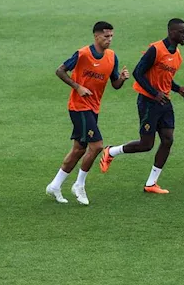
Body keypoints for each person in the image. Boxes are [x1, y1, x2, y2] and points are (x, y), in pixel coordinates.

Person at [100, 19, 184, 194]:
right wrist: (154, 93)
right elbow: (138, 72)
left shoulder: (177, 55)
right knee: (146, 144)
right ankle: (111, 152)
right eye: (182, 32)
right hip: (148, 101)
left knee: (168, 140)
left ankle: (151, 183)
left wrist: (178, 89)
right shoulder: (156, 49)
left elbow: (165, 78)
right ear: (171, 32)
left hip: (164, 101)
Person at [46, 21, 129, 205]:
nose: (109, 39)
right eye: (106, 36)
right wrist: (77, 86)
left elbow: (115, 84)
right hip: (79, 106)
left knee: (79, 149)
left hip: (93, 107)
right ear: (96, 36)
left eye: (111, 36)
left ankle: (54, 185)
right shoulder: (83, 54)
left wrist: (122, 79)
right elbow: (60, 71)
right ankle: (79, 184)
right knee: (97, 145)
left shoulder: (112, 57)